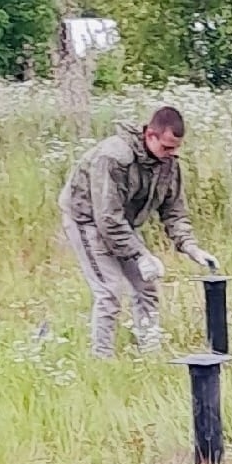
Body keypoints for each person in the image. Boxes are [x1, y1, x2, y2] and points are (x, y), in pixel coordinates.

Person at [60, 105, 218, 357]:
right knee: (109, 291)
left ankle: (150, 352)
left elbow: (174, 211)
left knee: (146, 287)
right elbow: (107, 219)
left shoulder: (168, 162)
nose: (172, 154)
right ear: (150, 135)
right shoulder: (113, 158)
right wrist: (140, 254)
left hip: (122, 224)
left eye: (176, 148)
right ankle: (102, 362)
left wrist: (192, 248)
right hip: (87, 220)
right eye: (167, 147)